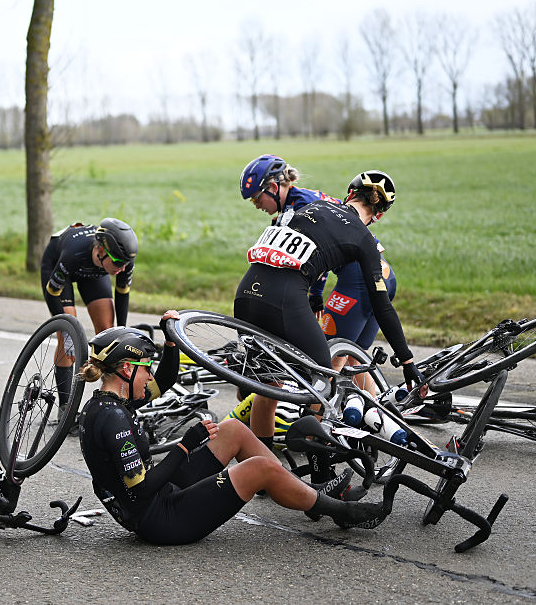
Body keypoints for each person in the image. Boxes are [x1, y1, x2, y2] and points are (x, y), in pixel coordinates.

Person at [77, 315, 385, 545]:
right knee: (259, 469)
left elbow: (164, 381)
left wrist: (171, 343)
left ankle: (305, 494)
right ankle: (340, 510)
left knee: (233, 430)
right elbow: (140, 489)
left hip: (158, 496)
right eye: (145, 368)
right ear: (127, 370)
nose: (148, 377)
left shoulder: (110, 402)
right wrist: (184, 446)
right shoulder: (114, 420)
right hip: (160, 520)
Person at [233, 165, 423, 464]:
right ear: (380, 214)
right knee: (324, 383)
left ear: (348, 194)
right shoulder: (364, 238)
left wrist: (316, 294)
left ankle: (258, 470)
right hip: (285, 299)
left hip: (246, 294)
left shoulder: (314, 204)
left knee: (268, 390)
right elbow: (382, 305)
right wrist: (407, 359)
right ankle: (318, 473)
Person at [239, 155, 398, 382]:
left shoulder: (300, 204)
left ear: (274, 188)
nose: (257, 206)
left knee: (327, 367)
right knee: (351, 358)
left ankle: (321, 414)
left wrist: (314, 297)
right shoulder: (298, 201)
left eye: (256, 199)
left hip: (360, 279)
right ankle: (370, 412)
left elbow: (308, 257)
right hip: (376, 275)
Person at [41, 218, 138, 404]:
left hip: (93, 272)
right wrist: (67, 335)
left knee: (107, 331)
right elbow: (52, 292)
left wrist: (121, 332)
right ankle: (65, 408)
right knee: (68, 332)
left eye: (127, 263)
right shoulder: (73, 253)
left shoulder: (122, 262)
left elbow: (122, 295)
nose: (123, 269)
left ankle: (111, 399)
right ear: (101, 251)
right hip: (59, 265)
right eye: (118, 263)